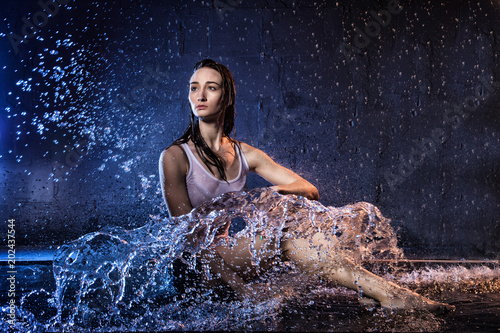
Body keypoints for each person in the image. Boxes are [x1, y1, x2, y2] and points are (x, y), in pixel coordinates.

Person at [159, 59, 454, 312]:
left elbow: (308, 190)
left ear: (227, 97)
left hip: (229, 256)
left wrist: (272, 194)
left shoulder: (244, 153)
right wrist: (244, 292)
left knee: (300, 231)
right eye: (194, 87)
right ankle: (383, 293)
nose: (200, 94)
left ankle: (380, 292)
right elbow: (188, 240)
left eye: (211, 87)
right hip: (194, 270)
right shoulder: (174, 157)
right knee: (287, 239)